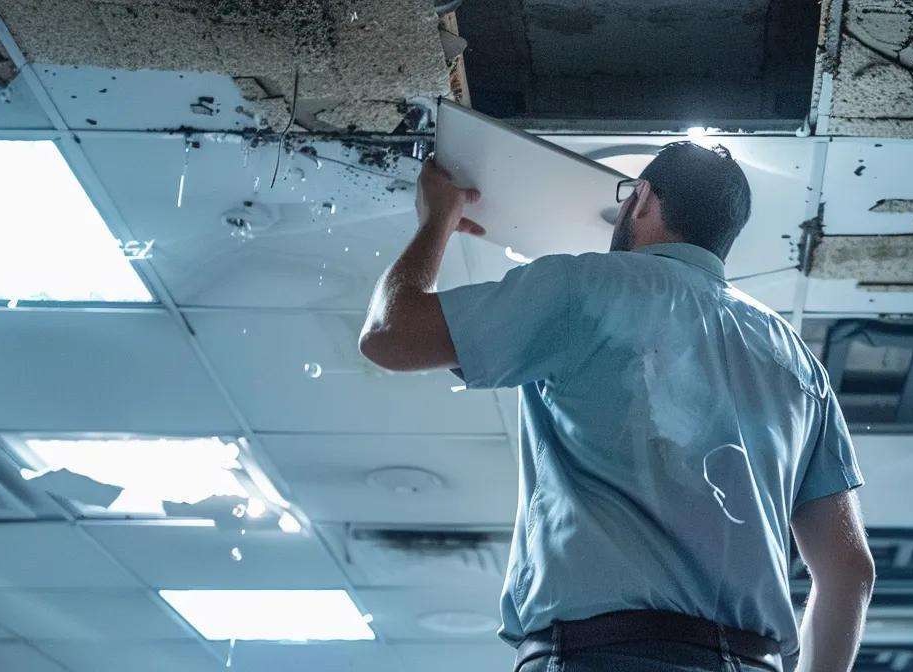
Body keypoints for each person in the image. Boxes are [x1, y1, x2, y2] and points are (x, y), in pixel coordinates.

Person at [359, 141, 872, 672]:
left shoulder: (583, 286)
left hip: (599, 656)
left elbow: (390, 333)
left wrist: (437, 219)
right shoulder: (796, 361)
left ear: (642, 199)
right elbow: (849, 571)